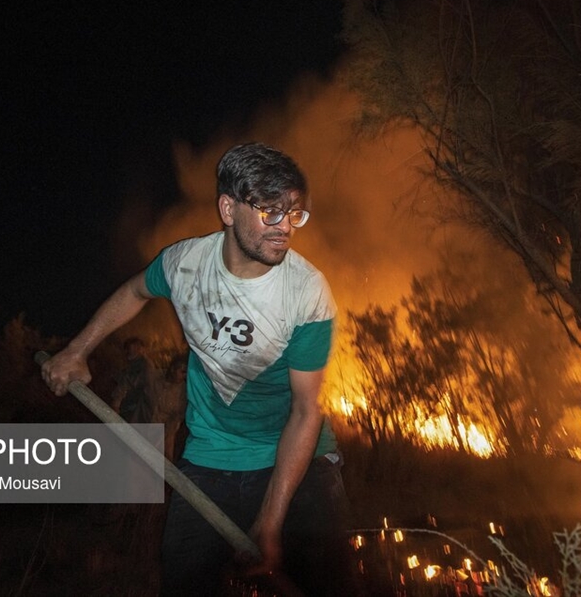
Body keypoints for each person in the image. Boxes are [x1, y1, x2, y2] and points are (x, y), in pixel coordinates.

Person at [41, 142, 356, 596]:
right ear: (228, 208)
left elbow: (306, 411)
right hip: (209, 459)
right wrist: (77, 351)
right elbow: (133, 292)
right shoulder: (184, 263)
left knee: (326, 585)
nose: (285, 227)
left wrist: (270, 518)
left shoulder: (306, 292)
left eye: (294, 214)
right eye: (270, 212)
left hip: (296, 461)